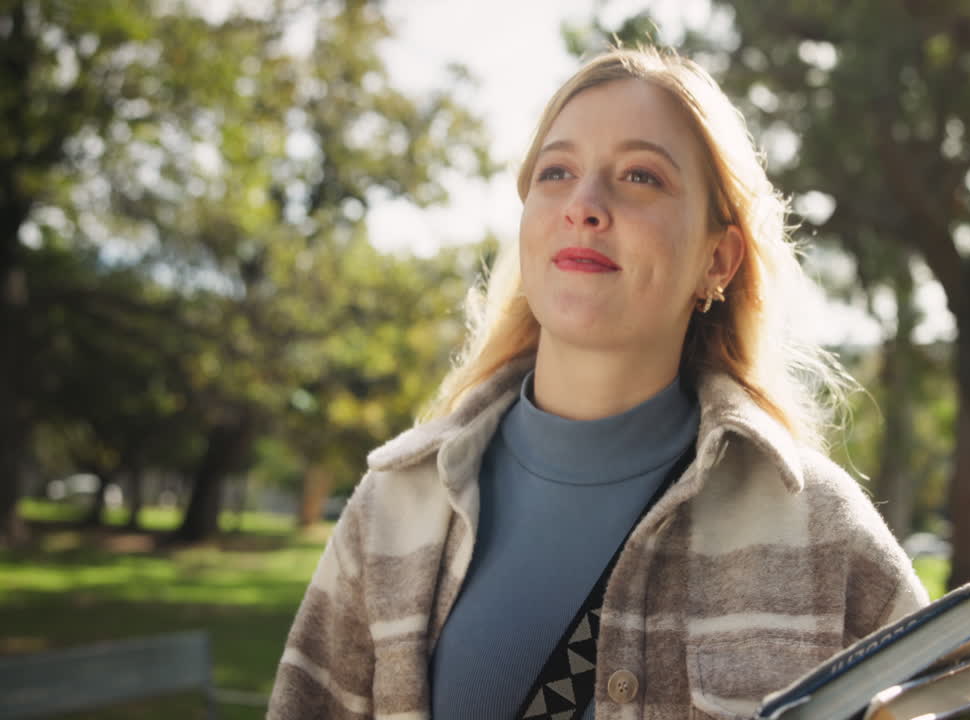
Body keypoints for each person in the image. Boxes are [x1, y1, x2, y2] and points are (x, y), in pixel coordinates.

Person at [267, 46, 928, 720]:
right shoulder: (393, 507)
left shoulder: (820, 527)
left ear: (718, 261)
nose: (584, 205)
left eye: (640, 176)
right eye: (556, 172)